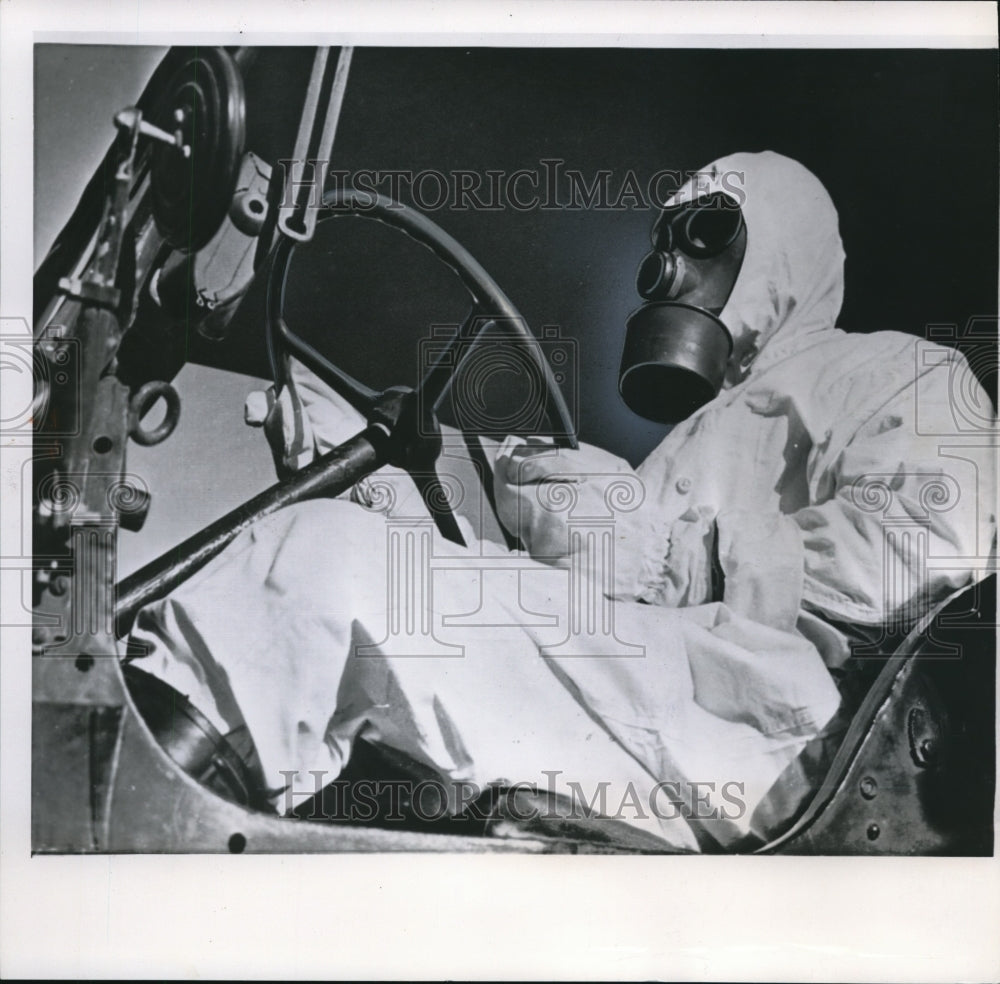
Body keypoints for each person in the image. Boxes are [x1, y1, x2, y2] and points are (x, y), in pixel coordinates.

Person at [131, 151, 995, 851]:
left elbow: (921, 559)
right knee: (334, 558)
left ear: (781, 250)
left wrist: (674, 556)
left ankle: (125, 822)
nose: (667, 267)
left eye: (705, 234)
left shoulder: (897, 373)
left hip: (759, 737)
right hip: (654, 714)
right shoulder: (687, 445)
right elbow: (569, 617)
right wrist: (389, 495)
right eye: (666, 239)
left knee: (317, 563)